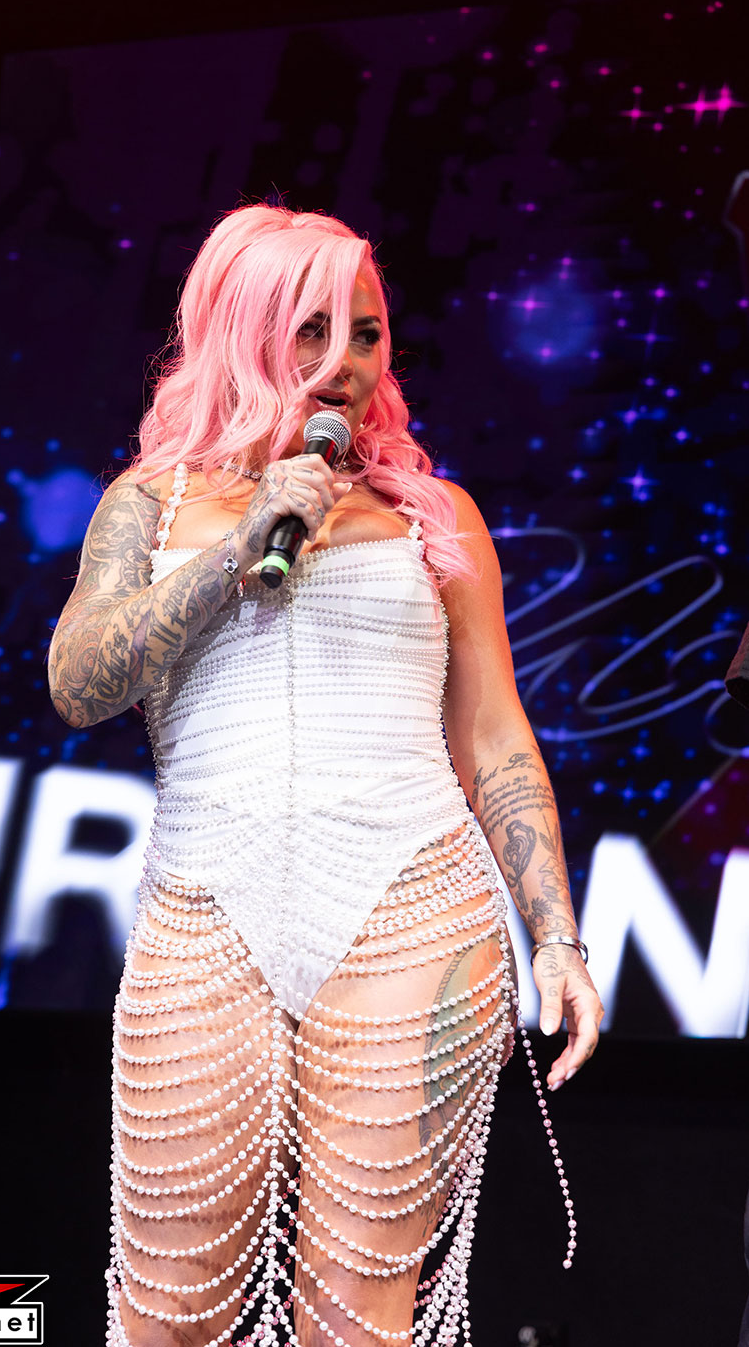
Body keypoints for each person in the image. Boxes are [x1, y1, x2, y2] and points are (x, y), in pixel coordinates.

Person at [48, 204, 604, 1347]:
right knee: (170, 1304)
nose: (344, 361)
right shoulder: (149, 505)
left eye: (366, 331)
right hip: (208, 906)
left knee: (356, 1309)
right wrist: (237, 547)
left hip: (413, 906)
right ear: (243, 330)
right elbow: (77, 680)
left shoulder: (433, 517)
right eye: (310, 330)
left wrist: (556, 935)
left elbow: (495, 736)